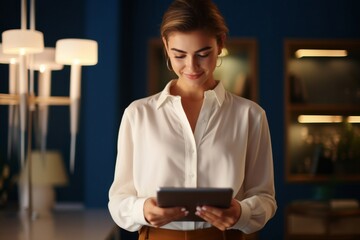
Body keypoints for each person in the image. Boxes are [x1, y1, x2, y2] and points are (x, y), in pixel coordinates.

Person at [108, 0, 277, 239]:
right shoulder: (138, 114)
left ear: (220, 43)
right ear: (166, 46)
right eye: (179, 55)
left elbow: (265, 198)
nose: (191, 66)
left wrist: (242, 212)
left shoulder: (250, 116)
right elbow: (118, 201)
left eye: (203, 54)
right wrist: (142, 210)